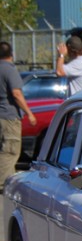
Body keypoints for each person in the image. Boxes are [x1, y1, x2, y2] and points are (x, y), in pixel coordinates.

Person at [0, 41, 37, 194]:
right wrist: (29, 113)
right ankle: (3, 184)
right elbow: (16, 94)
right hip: (9, 116)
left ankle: (8, 181)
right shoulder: (9, 69)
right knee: (10, 151)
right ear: (11, 54)